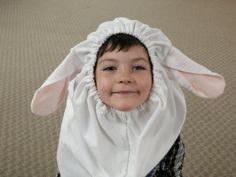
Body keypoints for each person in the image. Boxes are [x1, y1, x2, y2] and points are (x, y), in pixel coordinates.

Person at [31, 17, 225, 177]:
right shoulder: (79, 128)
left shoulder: (165, 130)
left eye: (138, 67)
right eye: (110, 68)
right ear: (90, 75)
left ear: (156, 73)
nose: (124, 77)